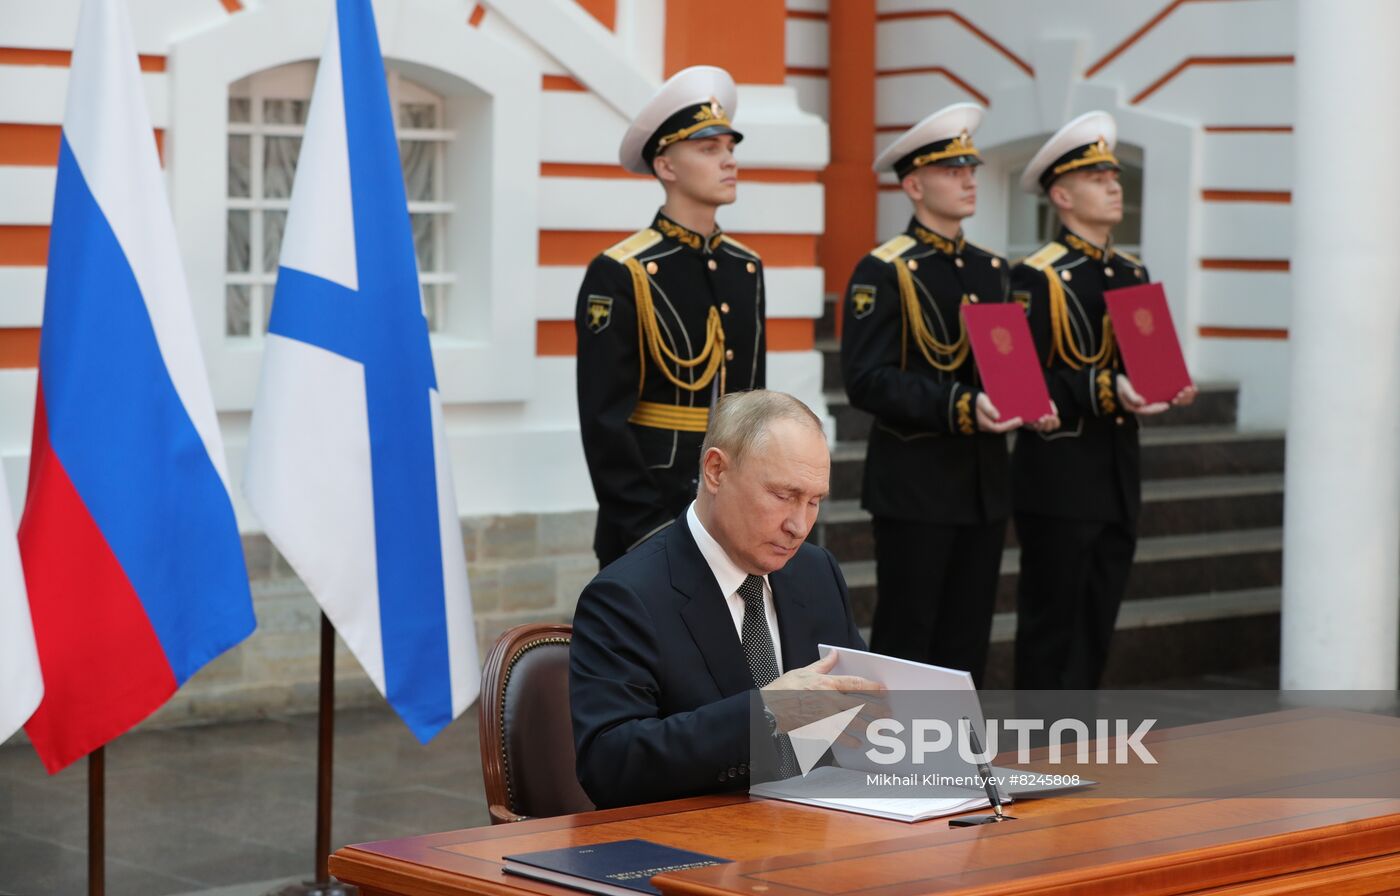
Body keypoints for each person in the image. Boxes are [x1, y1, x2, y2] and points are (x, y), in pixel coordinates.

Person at [570, 391, 878, 809]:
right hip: (701, 845)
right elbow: (611, 765)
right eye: (784, 495)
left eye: (814, 501)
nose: (799, 525)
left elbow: (853, 705)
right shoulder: (625, 597)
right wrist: (767, 713)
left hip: (820, 829)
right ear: (716, 471)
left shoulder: (815, 571)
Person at [840, 103, 1057, 686]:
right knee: (909, 637)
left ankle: (953, 762)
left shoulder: (991, 269)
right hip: (915, 485)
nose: (969, 179)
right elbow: (865, 378)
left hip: (983, 485)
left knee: (968, 640)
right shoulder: (883, 270)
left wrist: (1028, 401)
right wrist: (961, 406)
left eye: (971, 168)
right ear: (913, 184)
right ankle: (890, 764)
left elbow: (1005, 361)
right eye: (952, 170)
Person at [1010, 111, 1196, 689]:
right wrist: (1105, 388)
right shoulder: (1036, 277)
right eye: (1097, 178)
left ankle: (1081, 746)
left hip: (1117, 473)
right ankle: (1037, 748)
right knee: (1051, 627)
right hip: (1059, 477)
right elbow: (1020, 383)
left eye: (1114, 175)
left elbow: (1145, 363)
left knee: (1097, 622)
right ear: (1061, 195)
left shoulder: (1129, 270)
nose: (1115, 185)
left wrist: (1167, 383)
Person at [575, 65, 766, 568]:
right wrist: (649, 530)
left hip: (732, 511)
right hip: (652, 515)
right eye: (709, 149)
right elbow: (604, 423)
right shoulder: (622, 271)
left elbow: (752, 405)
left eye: (730, 148)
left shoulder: (745, 268)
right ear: (666, 166)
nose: (729, 161)